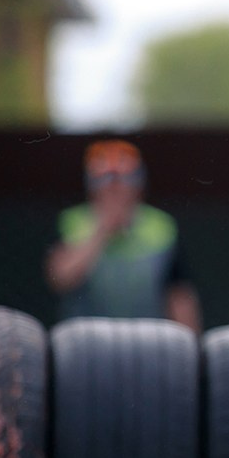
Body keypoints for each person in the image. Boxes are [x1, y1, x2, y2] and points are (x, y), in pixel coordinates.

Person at [44, 140, 201, 329]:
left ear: (138, 187)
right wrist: (101, 232)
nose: (115, 189)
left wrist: (190, 346)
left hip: (148, 341)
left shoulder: (160, 227)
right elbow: (60, 278)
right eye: (105, 182)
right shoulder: (72, 222)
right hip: (87, 342)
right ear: (91, 188)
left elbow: (180, 297)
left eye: (123, 181)